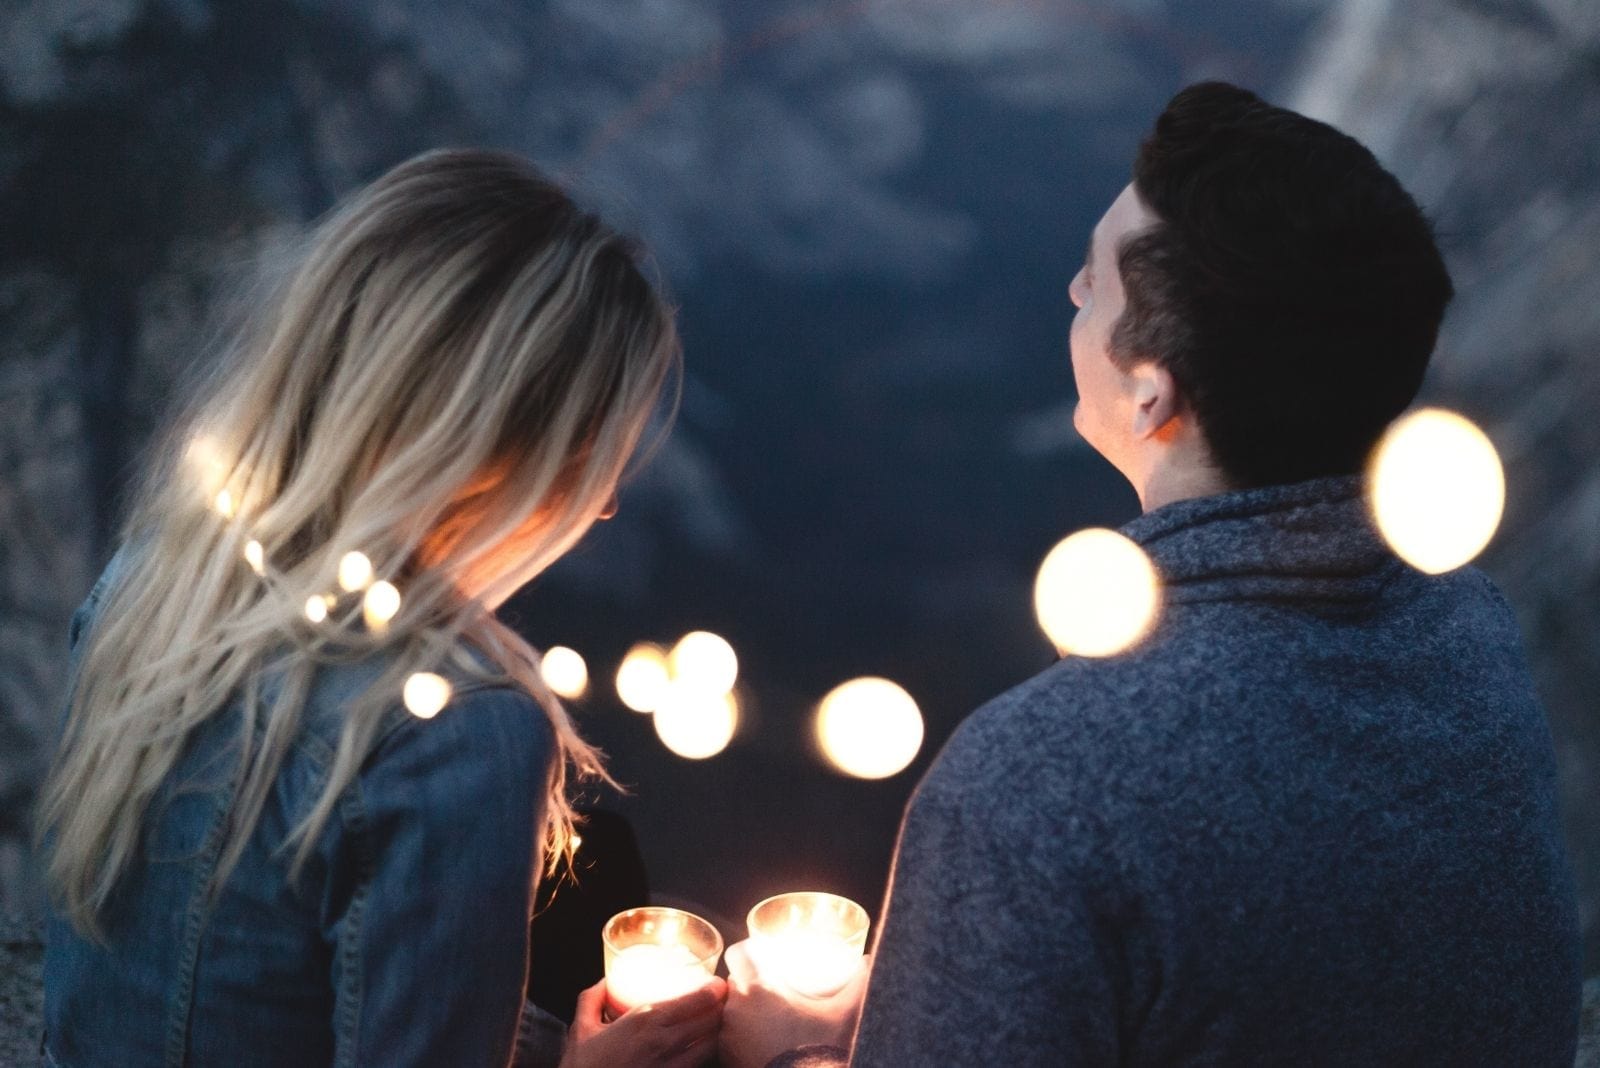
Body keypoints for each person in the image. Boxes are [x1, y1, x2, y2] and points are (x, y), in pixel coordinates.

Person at [719, 81, 1584, 1066]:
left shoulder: (1031, 785)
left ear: (1149, 398)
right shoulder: (1472, 634)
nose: (1072, 293)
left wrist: (795, 1055)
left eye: (1094, 279)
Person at [36, 150, 725, 1067]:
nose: (598, 508)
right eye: (589, 459)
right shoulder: (457, 729)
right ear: (487, 447)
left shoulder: (149, 582)